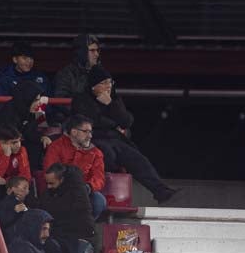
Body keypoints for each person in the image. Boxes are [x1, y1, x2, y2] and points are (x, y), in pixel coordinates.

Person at [74, 66, 178, 203]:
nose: (108, 86)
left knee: (137, 158)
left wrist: (110, 104)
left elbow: (126, 121)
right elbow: (91, 122)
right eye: (104, 83)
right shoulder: (82, 99)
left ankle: (161, 191)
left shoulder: (113, 99)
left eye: (110, 82)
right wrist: (112, 122)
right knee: (109, 153)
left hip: (114, 139)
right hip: (93, 139)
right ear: (93, 86)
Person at [44, 114, 107, 219]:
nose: (90, 136)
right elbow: (50, 172)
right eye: (86, 131)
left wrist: (89, 187)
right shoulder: (56, 147)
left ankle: (83, 230)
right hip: (59, 190)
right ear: (74, 132)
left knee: (99, 200)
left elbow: (99, 178)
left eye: (91, 132)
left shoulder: (96, 152)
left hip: (84, 191)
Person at [39, 164, 99, 253]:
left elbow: (58, 210)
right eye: (47, 183)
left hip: (85, 235)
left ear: (61, 180)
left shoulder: (77, 192)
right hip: (65, 236)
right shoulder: (50, 194)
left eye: (52, 183)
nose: (48, 186)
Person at [0, 126, 32, 199]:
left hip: (14, 184)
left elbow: (26, 176)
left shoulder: (22, 150)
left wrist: (7, 181)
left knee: (24, 186)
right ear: (2, 143)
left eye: (19, 141)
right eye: (14, 142)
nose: (18, 145)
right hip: (0, 186)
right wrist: (6, 156)